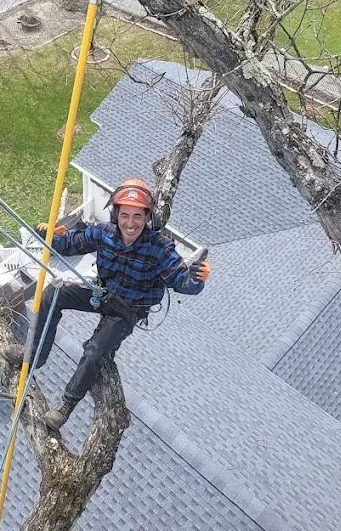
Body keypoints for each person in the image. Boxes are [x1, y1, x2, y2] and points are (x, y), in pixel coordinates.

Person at [25, 179, 210, 429]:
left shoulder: (159, 248)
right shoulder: (105, 233)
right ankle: (35, 356)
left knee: (95, 352)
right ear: (115, 215)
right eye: (125, 215)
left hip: (126, 311)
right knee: (52, 294)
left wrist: (197, 279)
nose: (130, 223)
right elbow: (72, 243)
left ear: (148, 218)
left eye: (137, 216)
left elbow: (181, 282)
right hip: (102, 293)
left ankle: (66, 405)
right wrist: (50, 236)